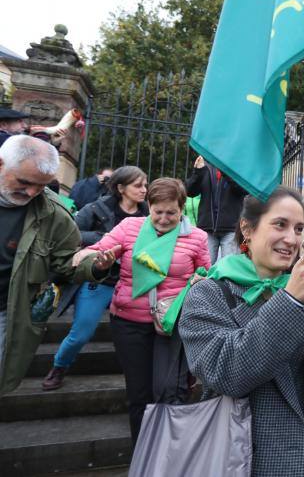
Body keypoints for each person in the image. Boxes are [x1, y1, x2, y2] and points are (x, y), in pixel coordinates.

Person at [180, 189, 304, 476]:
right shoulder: (208, 293)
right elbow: (228, 373)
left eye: (299, 228)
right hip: (240, 456)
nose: (292, 239)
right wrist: (289, 300)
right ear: (247, 229)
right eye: (280, 225)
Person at [73, 177, 211, 445]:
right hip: (128, 322)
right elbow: (97, 251)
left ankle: (167, 452)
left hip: (170, 324)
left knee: (168, 390)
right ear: (149, 206)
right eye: (158, 212)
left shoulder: (197, 237)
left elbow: (206, 273)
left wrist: (200, 282)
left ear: (182, 208)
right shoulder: (129, 227)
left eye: (171, 212)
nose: (163, 218)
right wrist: (95, 261)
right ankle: (143, 455)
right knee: (139, 394)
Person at [0, 135, 117, 395]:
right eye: (24, 182)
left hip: (6, 312)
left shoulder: (55, 215)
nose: (31, 193)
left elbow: (67, 263)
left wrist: (95, 266)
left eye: (41, 187)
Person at [41, 166, 149, 390]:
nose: (144, 190)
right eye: (138, 185)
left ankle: (141, 375)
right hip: (98, 282)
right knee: (82, 332)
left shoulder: (148, 214)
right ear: (121, 188)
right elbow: (72, 234)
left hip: (133, 282)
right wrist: (104, 238)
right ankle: (59, 366)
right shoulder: (97, 208)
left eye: (145, 185)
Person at [185, 155, 248, 264]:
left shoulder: (237, 166)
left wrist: (226, 170)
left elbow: (242, 189)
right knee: (205, 269)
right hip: (207, 229)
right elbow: (190, 191)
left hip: (231, 229)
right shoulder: (205, 165)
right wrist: (198, 172)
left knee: (229, 269)